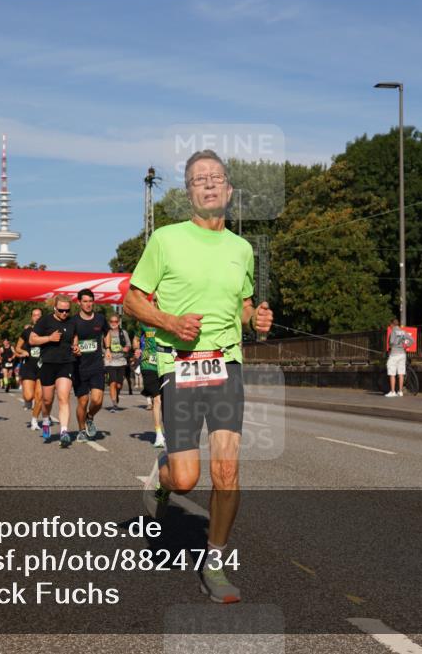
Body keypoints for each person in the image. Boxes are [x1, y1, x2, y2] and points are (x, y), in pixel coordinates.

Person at [124, 149, 273, 603]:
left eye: (216, 178)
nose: (208, 184)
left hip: (226, 364)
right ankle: (161, 479)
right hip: (179, 365)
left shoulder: (242, 249)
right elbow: (131, 301)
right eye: (198, 179)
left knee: (227, 468)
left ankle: (215, 562)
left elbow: (243, 305)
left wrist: (255, 319)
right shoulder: (166, 240)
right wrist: (168, 322)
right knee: (186, 478)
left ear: (228, 190)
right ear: (188, 192)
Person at [30, 295, 78, 447]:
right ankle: (45, 420)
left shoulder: (72, 321)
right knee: (47, 400)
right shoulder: (45, 321)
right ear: (55, 308)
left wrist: (76, 347)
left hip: (66, 363)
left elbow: (74, 337)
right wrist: (49, 338)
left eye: (67, 310)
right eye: (61, 310)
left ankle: (64, 431)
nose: (64, 313)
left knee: (64, 397)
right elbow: (32, 340)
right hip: (48, 363)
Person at [69, 288, 108, 443]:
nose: (88, 304)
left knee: (97, 400)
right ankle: (81, 430)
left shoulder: (100, 318)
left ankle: (90, 417)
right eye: (85, 301)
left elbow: (107, 333)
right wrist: (74, 348)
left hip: (97, 365)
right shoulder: (73, 321)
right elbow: (71, 338)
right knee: (83, 401)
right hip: (79, 367)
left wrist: (109, 349)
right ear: (79, 303)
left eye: (90, 301)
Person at [135, 313, 165, 448]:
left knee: (167, 399)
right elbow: (136, 338)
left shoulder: (168, 320)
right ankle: (158, 434)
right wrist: (137, 349)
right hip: (148, 364)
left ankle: (169, 431)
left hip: (166, 363)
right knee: (157, 398)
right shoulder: (143, 321)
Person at [15, 307, 44, 430]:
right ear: (32, 317)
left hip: (43, 367)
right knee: (28, 396)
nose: (37, 317)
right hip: (29, 366)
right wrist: (23, 352)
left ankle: (34, 420)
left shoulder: (48, 331)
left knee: (40, 396)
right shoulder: (27, 332)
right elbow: (17, 347)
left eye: (39, 315)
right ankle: (27, 401)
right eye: (34, 315)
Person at [104, 315, 131, 411]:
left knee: (119, 385)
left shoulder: (123, 333)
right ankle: (114, 403)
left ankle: (117, 394)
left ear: (119, 322)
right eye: (111, 321)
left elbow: (128, 345)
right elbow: (102, 346)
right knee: (112, 382)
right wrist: (105, 353)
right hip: (110, 361)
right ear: (109, 322)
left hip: (121, 361)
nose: (113, 323)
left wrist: (126, 348)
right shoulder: (106, 333)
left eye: (115, 321)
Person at [385, 318, 413, 397]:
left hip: (394, 354)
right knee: (401, 373)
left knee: (392, 373)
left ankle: (393, 391)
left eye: (390, 325)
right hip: (402, 354)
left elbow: (391, 342)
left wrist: (392, 345)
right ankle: (400, 391)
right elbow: (412, 340)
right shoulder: (403, 331)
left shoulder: (393, 331)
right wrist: (406, 346)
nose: (390, 326)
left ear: (392, 324)